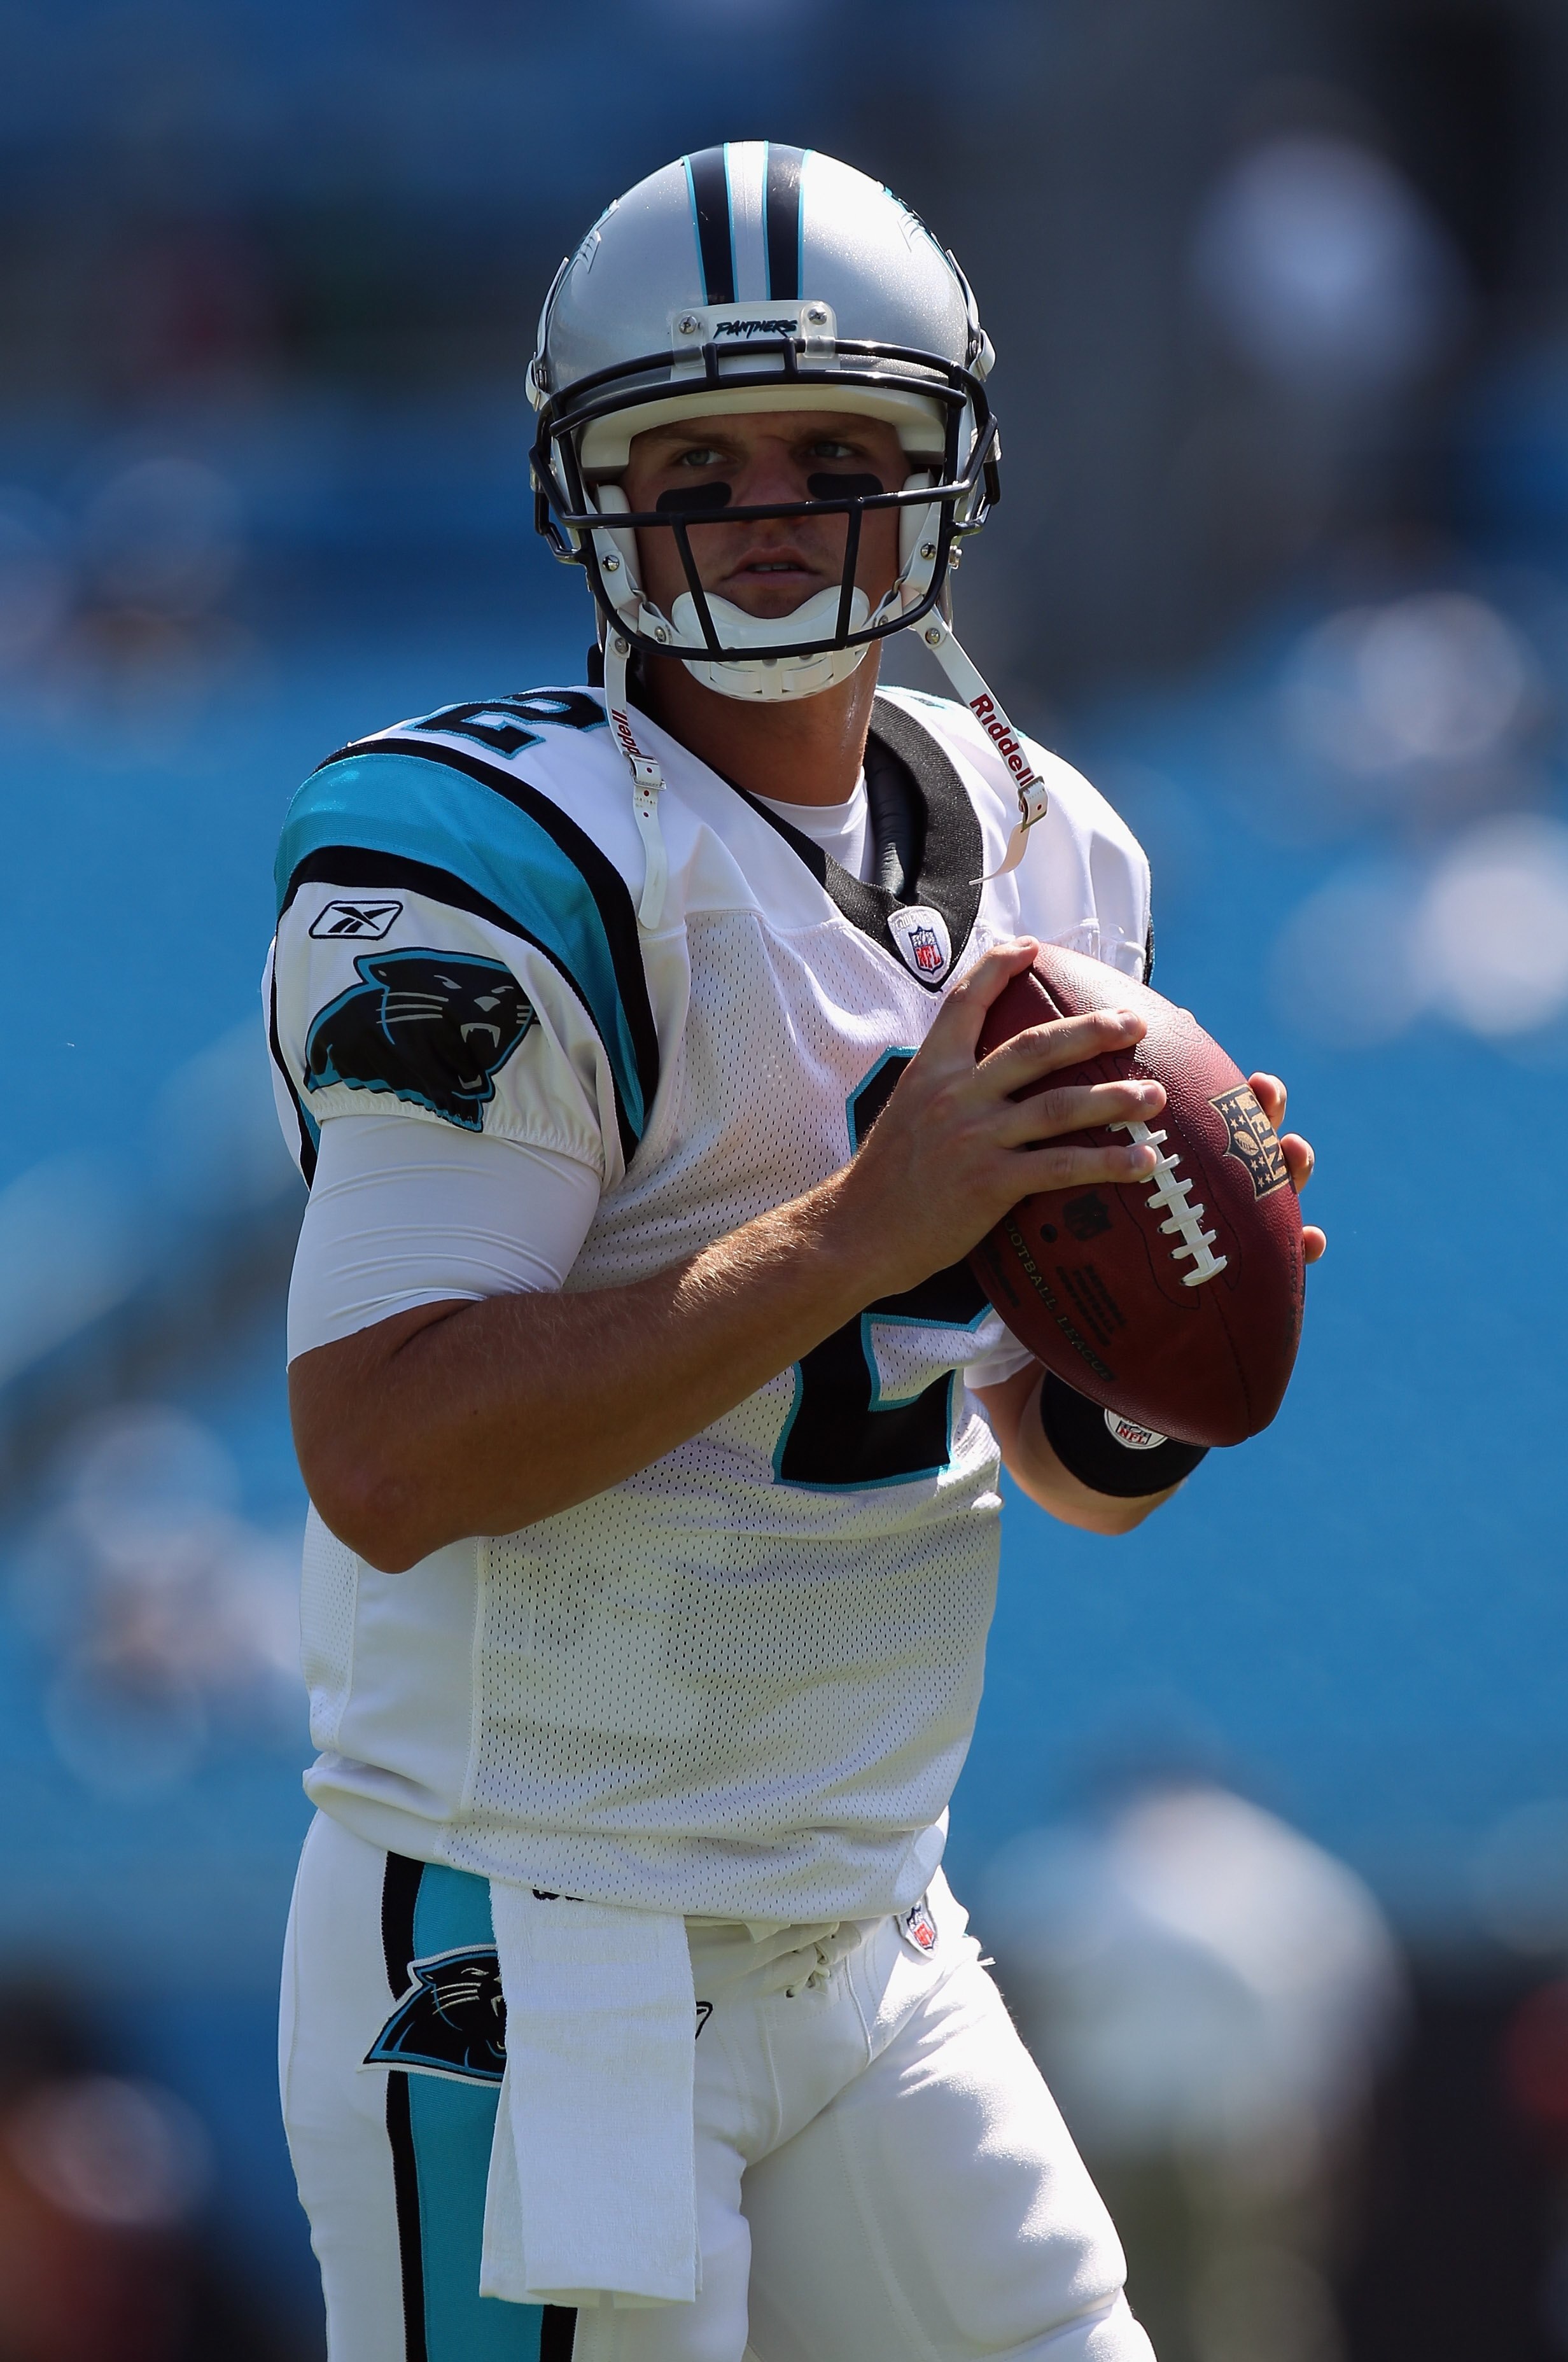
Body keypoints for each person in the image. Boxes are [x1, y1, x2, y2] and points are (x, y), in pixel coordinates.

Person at [270, 143, 1322, 2362]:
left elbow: (1039, 1452)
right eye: (697, 458)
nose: (766, 508)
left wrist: (1140, 1369)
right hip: (536, 1946)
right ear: (589, 492)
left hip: (873, 1937)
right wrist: (870, 1221)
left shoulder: (1048, 844)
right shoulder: (493, 860)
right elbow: (381, 1452)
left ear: (949, 473)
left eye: (838, 453)